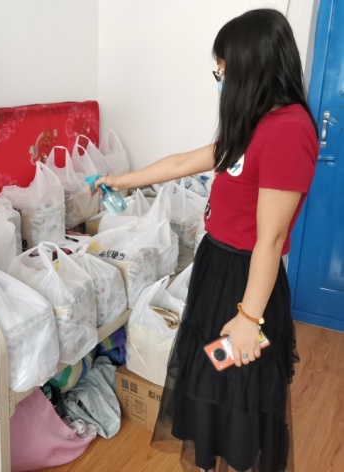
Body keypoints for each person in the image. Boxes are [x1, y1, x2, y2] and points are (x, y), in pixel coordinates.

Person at [96, 9, 318, 472]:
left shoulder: (290, 130)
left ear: (252, 66)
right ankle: (207, 462)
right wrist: (122, 180)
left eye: (223, 70)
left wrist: (248, 318)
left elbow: (270, 238)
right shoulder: (253, 121)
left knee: (239, 388)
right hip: (216, 266)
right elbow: (184, 162)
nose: (220, 80)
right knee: (210, 381)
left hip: (247, 279)